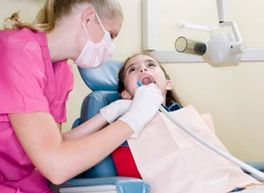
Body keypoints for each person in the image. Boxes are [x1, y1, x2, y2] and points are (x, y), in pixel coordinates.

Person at [0, 1, 163, 193]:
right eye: (110, 35)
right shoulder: (17, 52)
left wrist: (109, 114)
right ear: (88, 18)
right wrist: (133, 119)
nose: (111, 47)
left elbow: (53, 145)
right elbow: (56, 165)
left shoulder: (62, 72)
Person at [110, 53, 264, 193]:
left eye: (151, 65)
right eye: (133, 69)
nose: (143, 70)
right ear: (125, 94)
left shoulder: (190, 119)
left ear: (168, 84)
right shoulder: (123, 130)